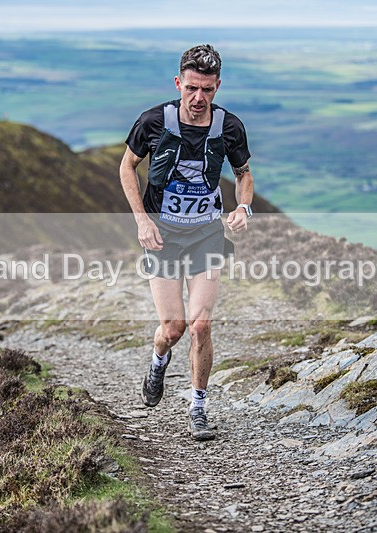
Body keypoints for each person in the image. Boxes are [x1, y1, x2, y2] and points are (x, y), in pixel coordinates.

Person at [119, 44, 255, 441]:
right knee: (174, 327)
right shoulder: (153, 122)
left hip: (206, 233)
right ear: (178, 83)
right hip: (162, 235)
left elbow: (243, 173)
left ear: (217, 87)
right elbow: (127, 167)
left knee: (200, 324)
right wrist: (141, 220)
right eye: (192, 88)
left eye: (207, 90)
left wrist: (243, 207)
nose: (198, 98)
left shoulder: (229, 127)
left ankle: (198, 408)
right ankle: (158, 360)